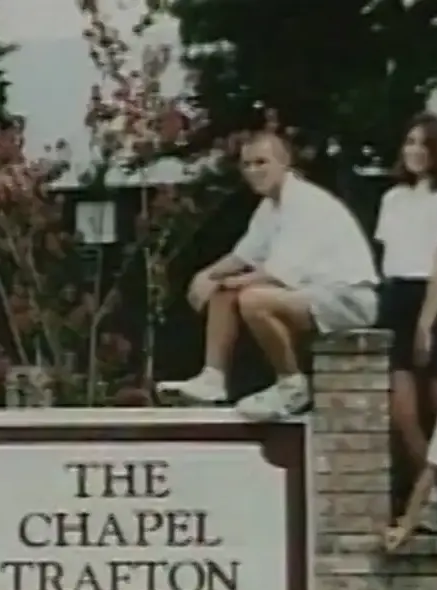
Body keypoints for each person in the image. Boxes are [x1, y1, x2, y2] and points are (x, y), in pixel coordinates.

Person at [157, 131, 378, 421]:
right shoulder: (269, 206)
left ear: (284, 162)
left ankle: (292, 384)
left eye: (262, 162)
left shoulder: (304, 203)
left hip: (348, 298)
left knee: (253, 300)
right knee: (226, 292)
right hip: (311, 294)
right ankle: (212, 379)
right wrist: (206, 275)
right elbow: (242, 257)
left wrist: (224, 282)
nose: (253, 171)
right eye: (247, 165)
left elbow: (277, 275)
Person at [375, 114, 437, 530]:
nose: (415, 150)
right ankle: (430, 495)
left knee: (435, 403)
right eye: (409, 141)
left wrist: (427, 321)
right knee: (402, 410)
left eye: (425, 144)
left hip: (432, 298)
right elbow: (389, 259)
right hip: (396, 297)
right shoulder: (393, 198)